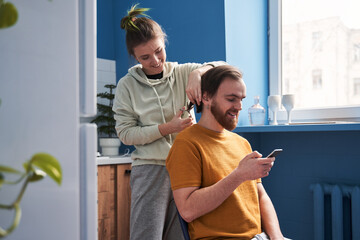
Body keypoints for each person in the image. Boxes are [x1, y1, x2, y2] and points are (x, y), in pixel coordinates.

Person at [112, 4, 226, 240]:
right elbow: (125, 133)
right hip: (151, 169)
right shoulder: (127, 86)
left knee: (180, 235)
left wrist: (199, 73)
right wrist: (168, 128)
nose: (155, 61)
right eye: (145, 57)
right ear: (134, 56)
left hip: (185, 168)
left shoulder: (183, 72)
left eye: (159, 51)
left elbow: (226, 67)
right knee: (147, 235)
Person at [166, 65, 286, 239]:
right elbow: (187, 211)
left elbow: (261, 196)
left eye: (241, 99)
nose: (239, 107)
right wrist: (239, 175)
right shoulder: (187, 143)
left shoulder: (242, 143)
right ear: (206, 97)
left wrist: (278, 238)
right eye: (231, 99)